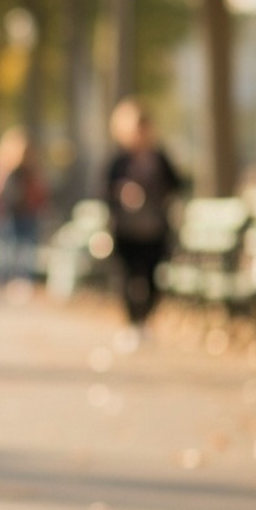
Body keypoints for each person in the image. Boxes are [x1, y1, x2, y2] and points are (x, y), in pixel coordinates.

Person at [105, 97, 183, 339]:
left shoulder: (159, 158)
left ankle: (145, 321)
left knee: (153, 278)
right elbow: (105, 189)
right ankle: (132, 324)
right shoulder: (119, 161)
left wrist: (159, 195)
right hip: (126, 229)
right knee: (126, 278)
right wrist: (122, 192)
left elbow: (177, 184)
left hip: (155, 228)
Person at [0, 126, 50, 287]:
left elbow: (39, 191)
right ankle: (1, 279)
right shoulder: (0, 167)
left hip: (26, 213)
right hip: (6, 213)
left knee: (25, 248)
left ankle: (21, 279)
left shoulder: (30, 169)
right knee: (5, 247)